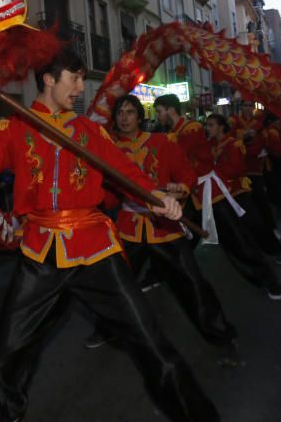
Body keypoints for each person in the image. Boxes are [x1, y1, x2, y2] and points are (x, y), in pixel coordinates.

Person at [0, 49, 229, 422]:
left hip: (94, 248)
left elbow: (127, 172)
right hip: (40, 252)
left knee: (152, 344)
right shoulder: (15, 127)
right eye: (74, 78)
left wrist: (156, 195)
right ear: (48, 79)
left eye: (83, 79)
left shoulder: (88, 131)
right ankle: (10, 408)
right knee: (7, 348)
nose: (80, 88)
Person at [84, 94, 239, 366]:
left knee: (192, 284)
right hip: (129, 229)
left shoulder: (162, 143)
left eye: (130, 112)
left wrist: (182, 189)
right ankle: (107, 330)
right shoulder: (109, 150)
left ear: (140, 117)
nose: (124, 117)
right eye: (120, 112)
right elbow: (108, 196)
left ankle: (220, 333)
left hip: (164, 228)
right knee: (114, 283)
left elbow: (186, 174)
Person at [154, 95, 281, 300]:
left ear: (170, 110)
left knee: (236, 240)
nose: (157, 116)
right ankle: (163, 274)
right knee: (176, 239)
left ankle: (268, 280)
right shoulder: (173, 133)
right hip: (190, 196)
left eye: (159, 111)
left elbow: (179, 155)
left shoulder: (191, 128)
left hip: (209, 193)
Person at [228, 101, 281, 263]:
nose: (248, 108)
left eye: (250, 105)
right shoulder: (233, 122)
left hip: (254, 171)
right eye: (245, 105)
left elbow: (262, 145)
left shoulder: (258, 124)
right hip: (234, 176)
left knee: (260, 203)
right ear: (240, 107)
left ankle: (271, 234)